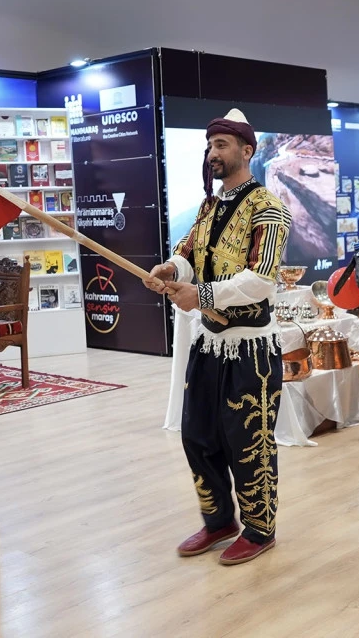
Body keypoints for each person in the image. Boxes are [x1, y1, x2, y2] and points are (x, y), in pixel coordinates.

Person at [144, 109, 292, 565]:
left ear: (247, 151)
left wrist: (202, 292)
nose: (213, 153)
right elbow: (190, 255)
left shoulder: (269, 207)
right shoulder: (210, 208)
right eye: (210, 146)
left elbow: (262, 278)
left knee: (247, 440)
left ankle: (260, 529)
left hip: (251, 347)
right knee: (198, 435)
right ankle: (219, 521)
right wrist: (171, 270)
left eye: (222, 145)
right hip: (208, 344)